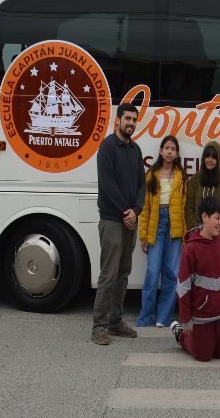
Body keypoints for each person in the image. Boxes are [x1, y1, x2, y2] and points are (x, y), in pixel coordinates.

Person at [91, 103, 146, 345]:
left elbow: (142, 186)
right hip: (113, 221)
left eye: (134, 119)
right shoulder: (107, 147)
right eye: (127, 119)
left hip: (129, 221)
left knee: (123, 273)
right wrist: (127, 212)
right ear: (118, 120)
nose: (131, 123)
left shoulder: (135, 150)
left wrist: (136, 211)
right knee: (109, 274)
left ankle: (115, 321)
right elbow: (107, 185)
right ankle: (99, 326)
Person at [170, 197, 220, 362]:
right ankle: (180, 334)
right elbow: (183, 289)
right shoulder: (191, 249)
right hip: (202, 316)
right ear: (204, 217)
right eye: (217, 218)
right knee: (203, 356)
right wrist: (186, 322)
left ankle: (210, 339)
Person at [137, 135, 187, 328]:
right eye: (166, 148)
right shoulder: (151, 174)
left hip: (174, 228)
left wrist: (184, 235)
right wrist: (143, 235)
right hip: (156, 226)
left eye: (173, 149)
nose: (169, 151)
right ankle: (146, 317)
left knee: (171, 273)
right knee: (152, 272)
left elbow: (183, 207)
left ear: (177, 153)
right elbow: (146, 207)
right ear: (160, 151)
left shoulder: (181, 175)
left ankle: (163, 318)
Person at [185, 141, 220, 229]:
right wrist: (194, 228)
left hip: (216, 229)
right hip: (197, 227)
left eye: (214, 157)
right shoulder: (195, 178)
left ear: (218, 160)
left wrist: (217, 227)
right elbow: (189, 207)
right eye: (207, 156)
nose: (210, 160)